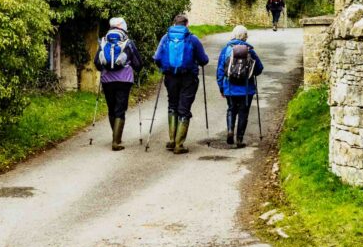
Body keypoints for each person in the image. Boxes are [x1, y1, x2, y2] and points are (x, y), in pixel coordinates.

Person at [153, 14, 209, 154]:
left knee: (172, 105)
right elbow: (204, 60)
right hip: (188, 78)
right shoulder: (193, 39)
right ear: (186, 24)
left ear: (173, 24)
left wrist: (164, 68)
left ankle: (172, 140)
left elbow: (157, 57)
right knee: (184, 108)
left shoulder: (166, 38)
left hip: (170, 77)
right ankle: (179, 145)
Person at [94, 17, 143, 151]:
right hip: (124, 80)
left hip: (107, 80)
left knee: (111, 108)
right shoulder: (128, 42)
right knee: (120, 108)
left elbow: (97, 63)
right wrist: (135, 69)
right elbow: (138, 63)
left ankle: (115, 137)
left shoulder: (103, 41)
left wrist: (105, 69)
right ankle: (116, 141)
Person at [216, 25, 264, 148]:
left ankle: (230, 130)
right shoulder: (250, 51)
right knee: (243, 112)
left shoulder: (226, 50)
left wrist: (221, 87)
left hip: (230, 88)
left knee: (231, 109)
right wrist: (251, 72)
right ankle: (239, 140)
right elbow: (259, 68)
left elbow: (220, 70)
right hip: (246, 89)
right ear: (245, 36)